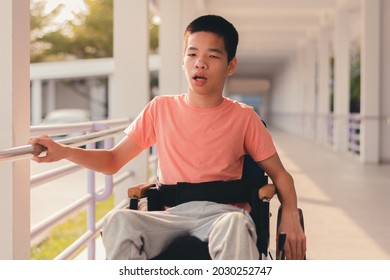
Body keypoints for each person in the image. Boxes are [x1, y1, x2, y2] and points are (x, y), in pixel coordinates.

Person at [30, 15, 306, 260]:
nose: (200, 63)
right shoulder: (160, 108)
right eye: (192, 54)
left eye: (213, 56)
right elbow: (113, 160)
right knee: (118, 221)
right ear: (183, 60)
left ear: (230, 65)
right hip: (169, 216)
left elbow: (281, 175)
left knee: (235, 226)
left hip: (223, 216)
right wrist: (63, 151)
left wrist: (291, 216)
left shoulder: (244, 117)